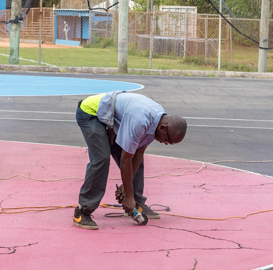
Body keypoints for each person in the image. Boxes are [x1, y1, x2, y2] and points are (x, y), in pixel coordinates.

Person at [73, 91, 187, 230]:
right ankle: (82, 211)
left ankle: (136, 203)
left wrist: (128, 188)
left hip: (112, 120)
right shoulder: (140, 121)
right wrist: (128, 195)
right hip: (92, 113)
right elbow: (125, 160)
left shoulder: (157, 121)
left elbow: (138, 154)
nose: (166, 143)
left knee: (137, 161)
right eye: (167, 140)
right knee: (101, 159)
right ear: (163, 127)